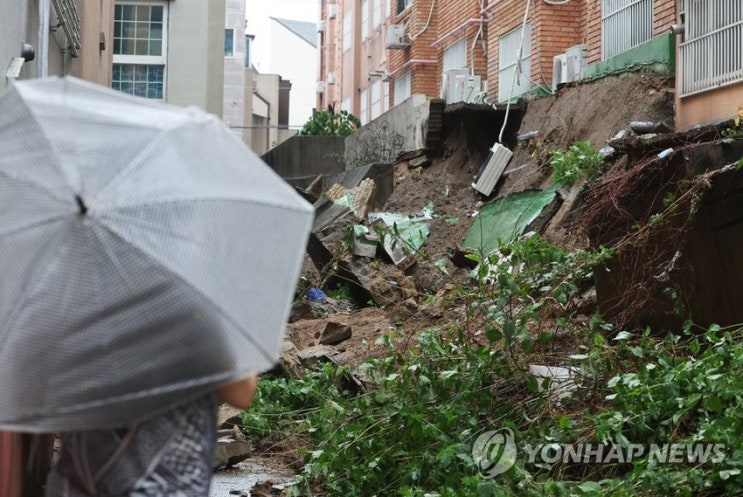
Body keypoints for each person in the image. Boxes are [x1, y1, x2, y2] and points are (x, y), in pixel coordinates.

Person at [44, 376, 258, 497]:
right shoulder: (194, 316)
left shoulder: (86, 310)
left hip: (82, 476)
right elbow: (241, 393)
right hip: (165, 483)